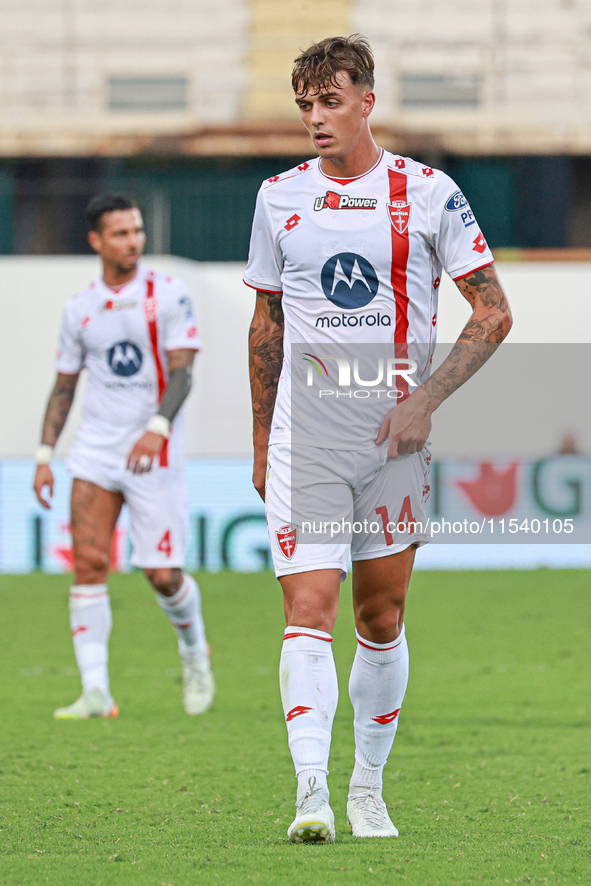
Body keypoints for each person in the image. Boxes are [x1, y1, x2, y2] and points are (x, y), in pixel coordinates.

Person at [245, 36, 512, 842]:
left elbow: (492, 312)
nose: (315, 118)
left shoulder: (428, 194)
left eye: (329, 101)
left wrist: (424, 400)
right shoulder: (276, 197)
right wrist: (261, 438)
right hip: (306, 439)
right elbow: (265, 323)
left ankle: (367, 786)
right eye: (304, 105)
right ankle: (310, 794)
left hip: (393, 442)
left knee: (381, 616)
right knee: (308, 607)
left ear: (366, 100)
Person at [33, 194, 214, 719]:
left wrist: (157, 428)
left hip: (152, 450)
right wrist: (46, 454)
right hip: (96, 449)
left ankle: (194, 650)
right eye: (120, 233)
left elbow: (183, 371)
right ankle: (95, 692)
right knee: (88, 564)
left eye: (136, 231)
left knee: (162, 575)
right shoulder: (80, 307)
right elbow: (65, 386)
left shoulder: (168, 293)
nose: (133, 241)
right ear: (96, 241)